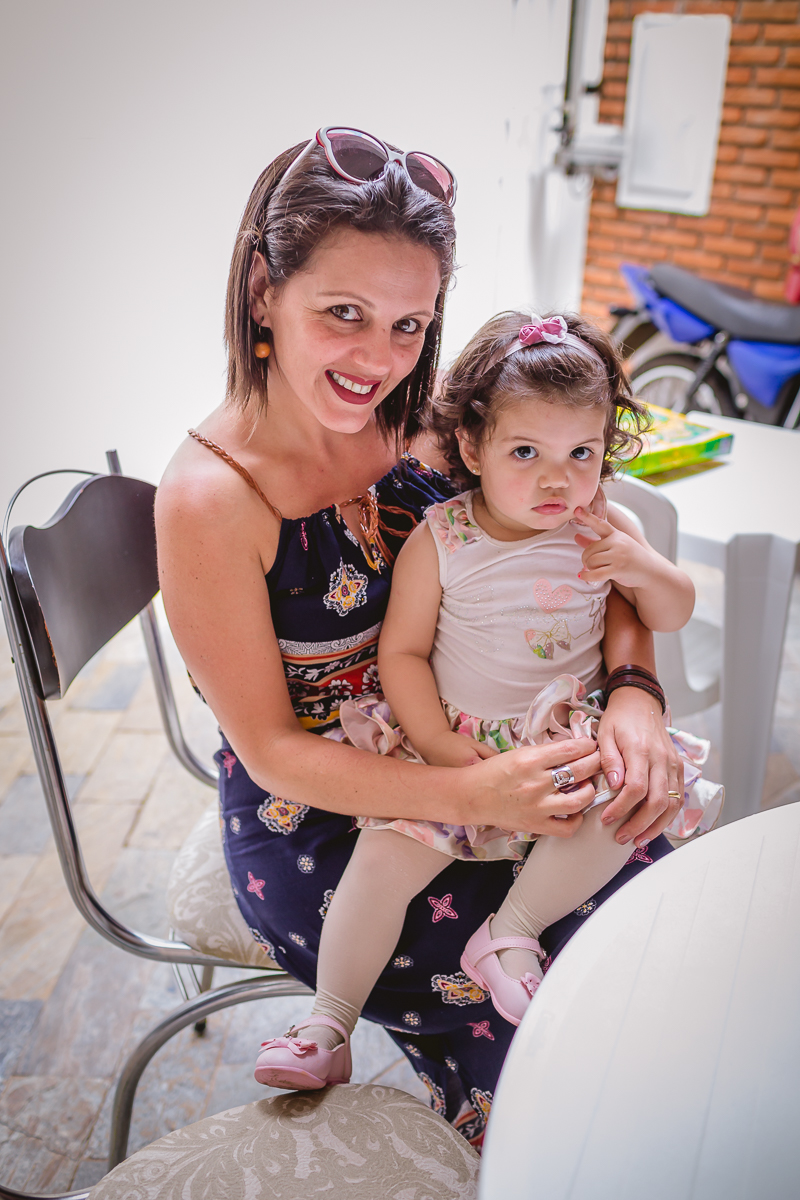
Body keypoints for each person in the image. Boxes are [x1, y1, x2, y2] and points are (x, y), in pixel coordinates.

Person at [156, 128, 685, 1146]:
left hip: (493, 754)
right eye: (342, 313)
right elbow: (272, 752)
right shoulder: (208, 500)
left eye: (409, 324)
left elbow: (583, 556)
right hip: (319, 820)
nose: (377, 360)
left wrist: (633, 694)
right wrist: (469, 793)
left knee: (656, 915)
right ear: (263, 291)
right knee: (584, 1015)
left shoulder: (430, 428)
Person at [253, 309, 722, 1091]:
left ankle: (511, 933)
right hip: (462, 745)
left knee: (629, 804)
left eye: (581, 453)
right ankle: (327, 1023)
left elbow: (671, 613)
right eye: (526, 452)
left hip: (566, 739)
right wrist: (439, 747)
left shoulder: (605, 525)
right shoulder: (442, 537)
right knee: (382, 862)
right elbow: (403, 654)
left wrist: (641, 565)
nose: (557, 479)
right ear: (472, 448)